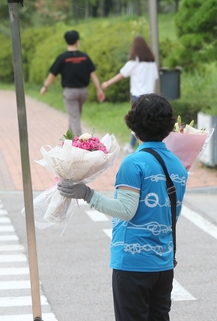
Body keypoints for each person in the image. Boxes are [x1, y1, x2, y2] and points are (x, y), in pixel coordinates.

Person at [57, 93, 188, 321]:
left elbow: (126, 211)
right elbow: (172, 213)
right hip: (164, 263)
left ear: (133, 127)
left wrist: (88, 194)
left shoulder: (133, 163)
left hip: (133, 262)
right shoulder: (178, 164)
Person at [40, 30, 106, 136]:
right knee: (74, 116)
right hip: (83, 92)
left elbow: (52, 75)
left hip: (70, 93)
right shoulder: (84, 57)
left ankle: (80, 144)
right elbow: (93, 75)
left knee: (74, 118)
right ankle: (69, 142)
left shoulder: (63, 58)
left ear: (66, 41)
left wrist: (45, 86)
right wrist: (99, 90)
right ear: (77, 41)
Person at [101, 36, 159, 154]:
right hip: (151, 97)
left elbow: (122, 74)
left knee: (137, 123)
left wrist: (107, 83)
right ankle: (145, 146)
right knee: (147, 122)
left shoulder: (134, 62)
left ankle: (132, 145)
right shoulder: (152, 62)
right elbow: (155, 78)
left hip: (137, 97)